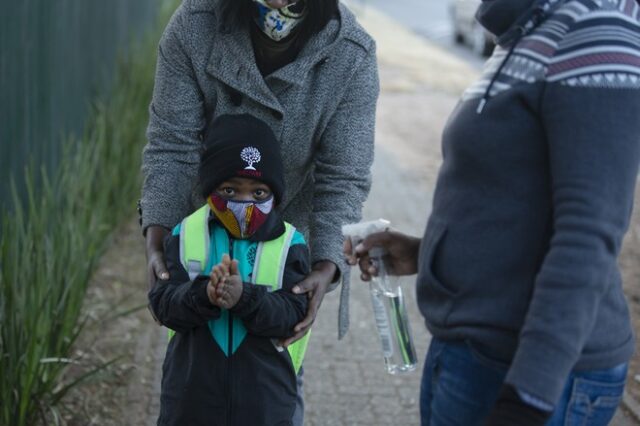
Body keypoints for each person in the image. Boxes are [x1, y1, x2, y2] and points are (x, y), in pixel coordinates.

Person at [346, 0, 640, 425]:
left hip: (529, 372)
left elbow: (589, 232)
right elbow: (512, 198)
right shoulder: (523, 33)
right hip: (471, 354)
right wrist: (425, 253)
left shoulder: (595, 28)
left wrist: (528, 398)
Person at [140, 0, 378, 345]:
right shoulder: (195, 25)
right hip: (204, 243)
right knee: (195, 375)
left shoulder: (351, 54)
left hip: (283, 259)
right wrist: (158, 240)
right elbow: (172, 148)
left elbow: (343, 177)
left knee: (273, 386)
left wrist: (325, 265)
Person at [149, 114, 312, 425]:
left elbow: (293, 314)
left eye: (258, 193)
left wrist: (245, 298)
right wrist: (203, 294)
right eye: (230, 190)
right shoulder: (184, 235)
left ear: (274, 195)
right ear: (211, 188)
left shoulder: (291, 242)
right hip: (190, 405)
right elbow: (163, 304)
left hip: (265, 407)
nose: (244, 203)